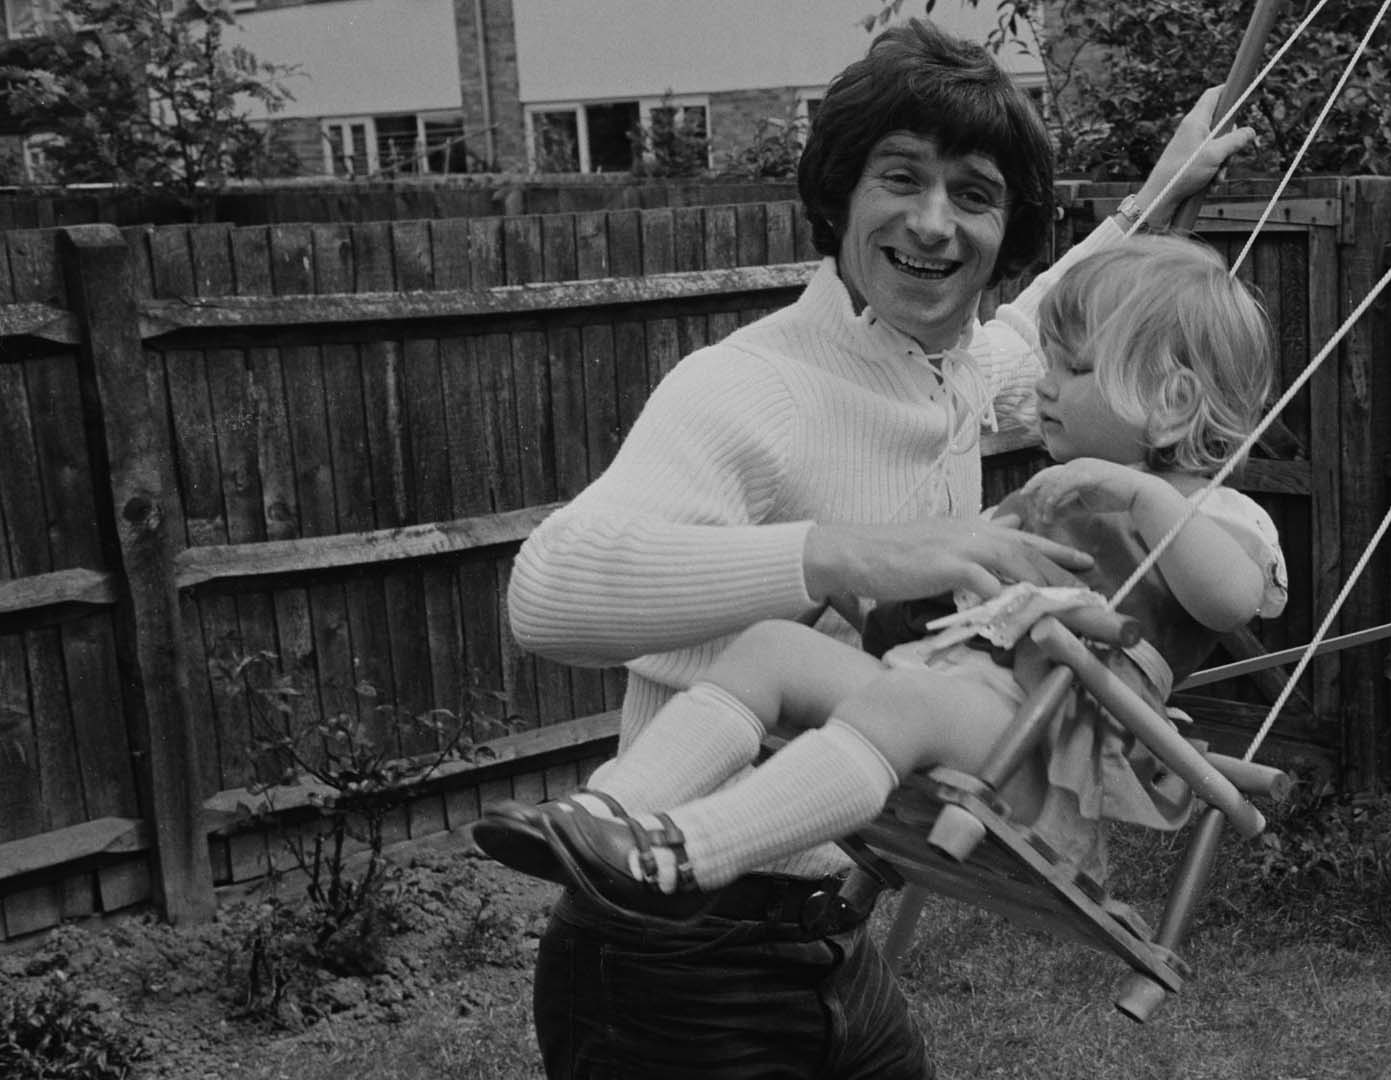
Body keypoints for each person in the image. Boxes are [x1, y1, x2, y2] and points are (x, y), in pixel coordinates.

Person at [492, 17, 1255, 1080]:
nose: (936, 224)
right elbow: (547, 594)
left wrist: (1154, 199)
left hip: (825, 936)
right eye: (902, 179)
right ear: (840, 197)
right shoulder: (749, 387)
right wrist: (850, 555)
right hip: (670, 962)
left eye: (976, 196)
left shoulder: (950, 368)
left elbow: (1054, 330)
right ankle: (615, 812)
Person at [482, 233, 1289, 912]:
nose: (1044, 384)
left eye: (1073, 370)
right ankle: (614, 809)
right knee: (773, 647)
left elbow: (1230, 599)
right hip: (947, 695)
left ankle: (690, 851)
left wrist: (1145, 494)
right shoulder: (1054, 492)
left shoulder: (1220, 518)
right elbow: (942, 602)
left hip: (1045, 752)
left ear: (1174, 401)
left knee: (906, 698)